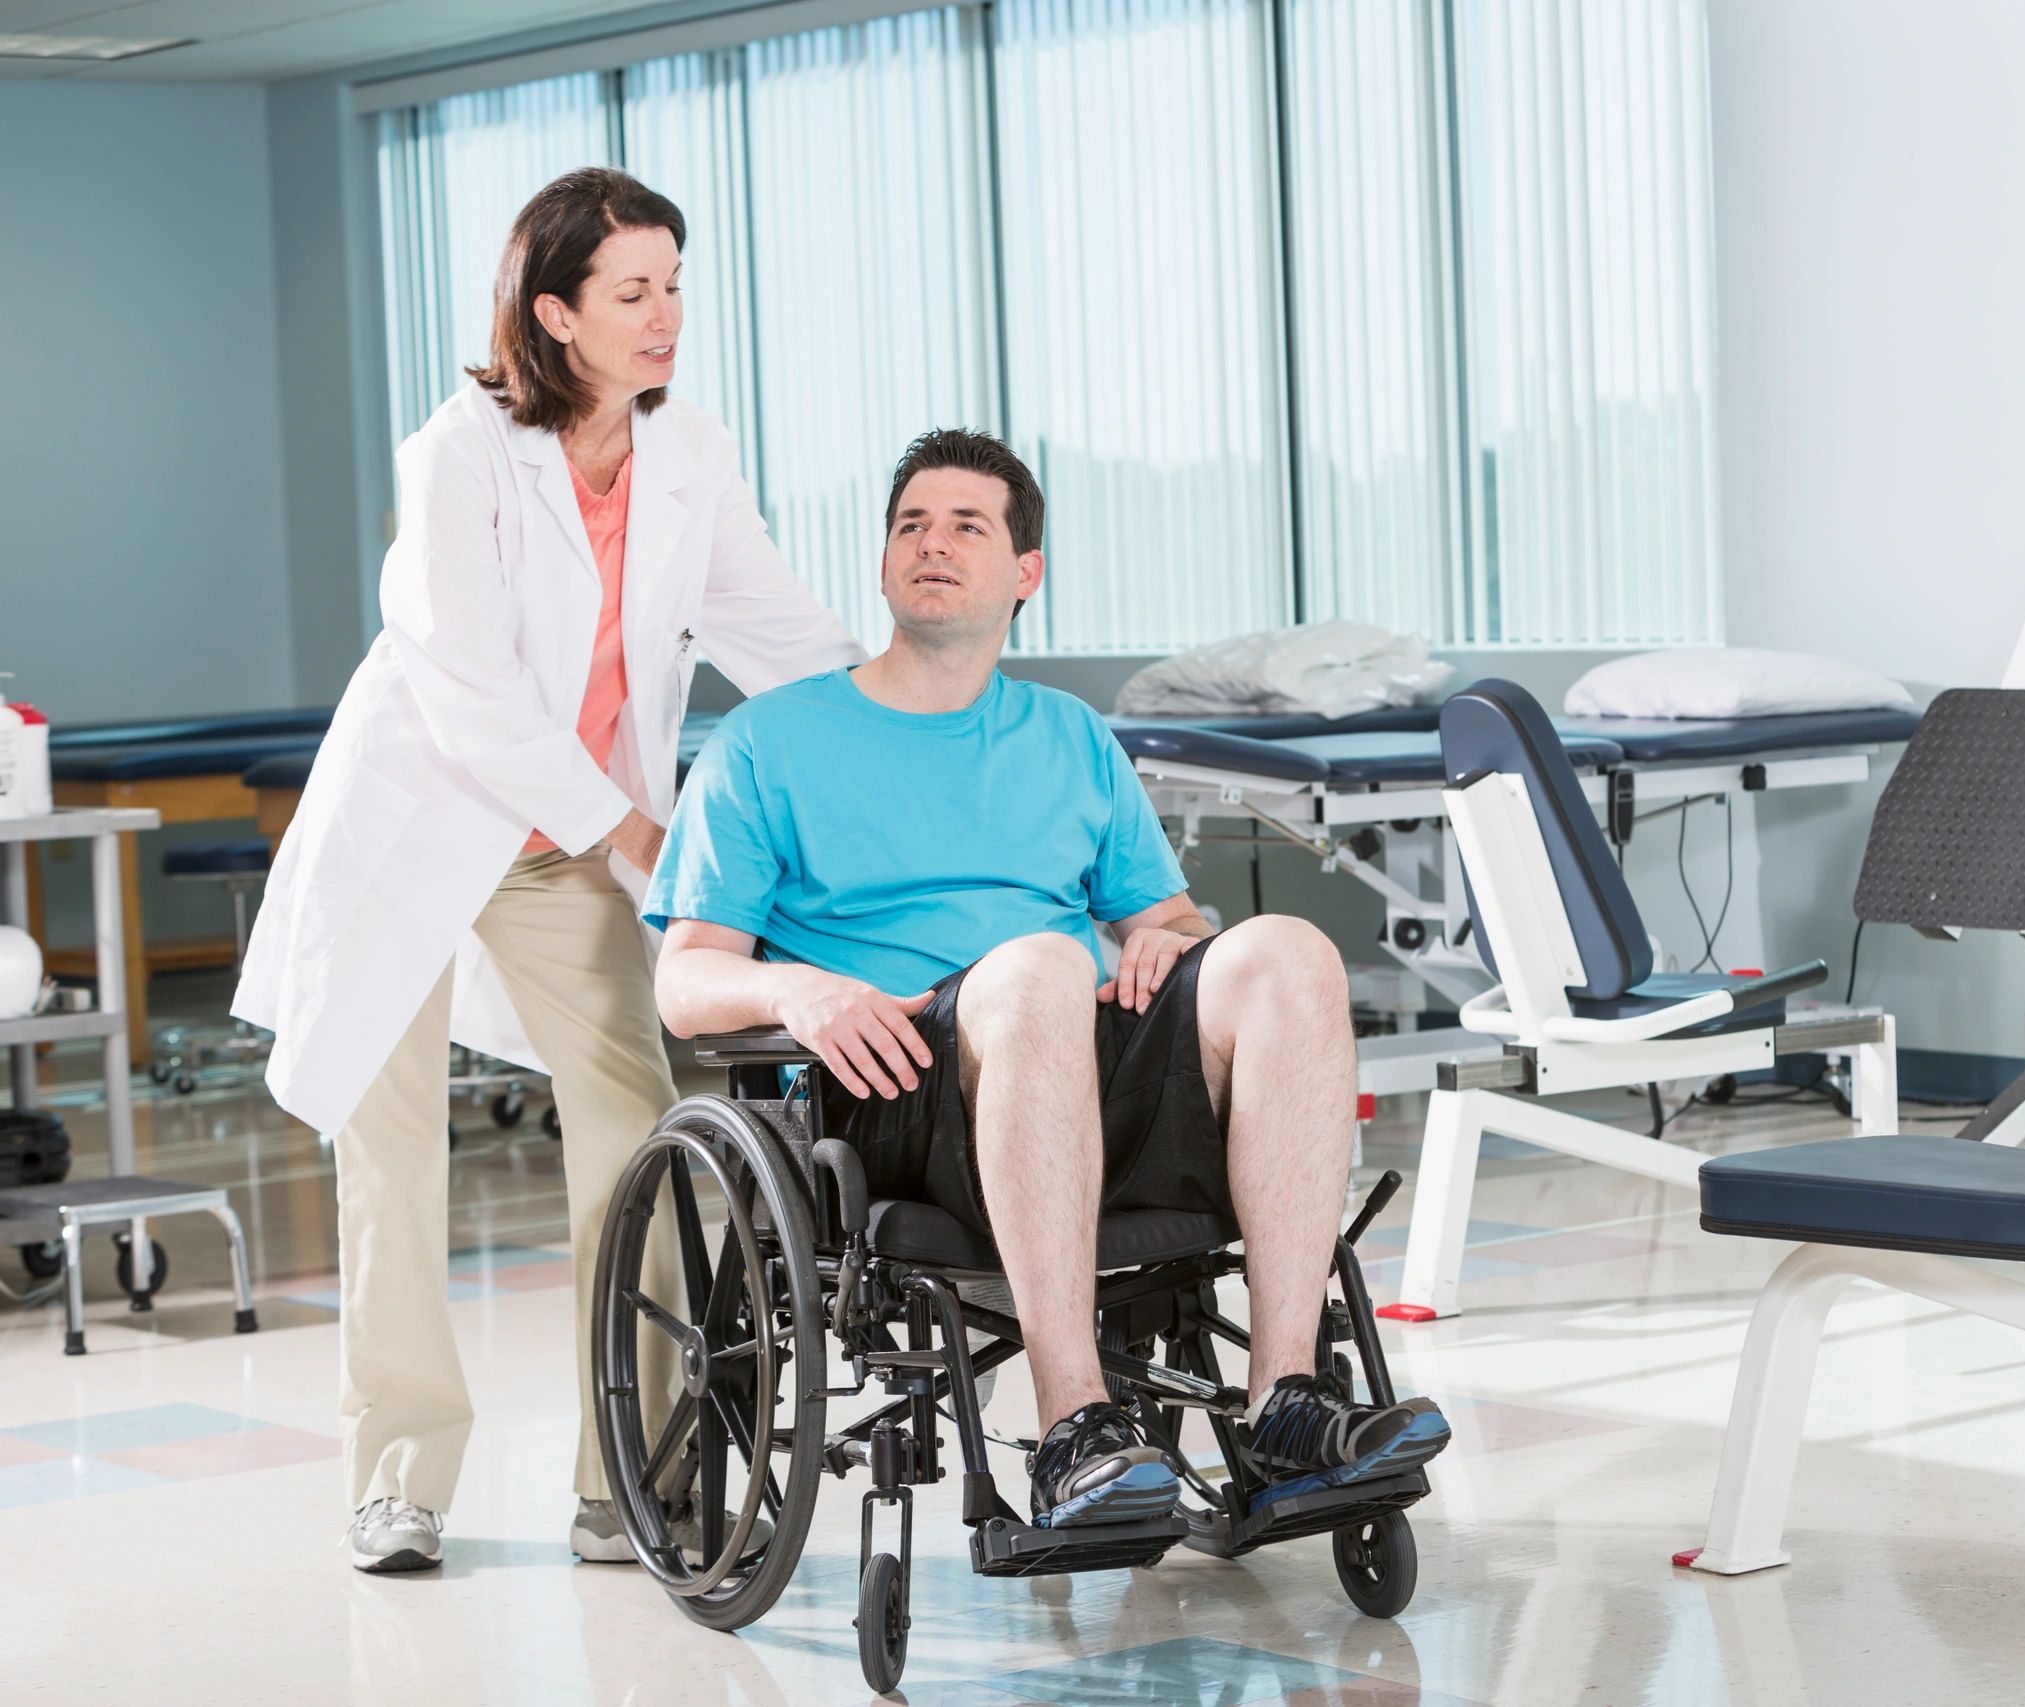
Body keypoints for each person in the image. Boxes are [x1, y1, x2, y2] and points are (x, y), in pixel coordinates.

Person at [235, 168, 863, 1573]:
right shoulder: (458, 454)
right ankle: (397, 1477)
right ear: (555, 311)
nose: (667, 314)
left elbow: (782, 633)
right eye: (633, 291)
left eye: (675, 284)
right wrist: (638, 836)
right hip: (419, 831)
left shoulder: (688, 453)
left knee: (639, 1129)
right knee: (391, 1156)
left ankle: (629, 1473)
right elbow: (473, 695)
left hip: (557, 851)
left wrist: (904, 708)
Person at [646, 428, 1450, 1525]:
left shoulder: (1069, 735)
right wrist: (798, 990)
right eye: (910, 525)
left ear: (1025, 573)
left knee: (1287, 953)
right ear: (883, 564)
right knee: (1035, 968)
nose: (932, 543)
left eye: (965, 525)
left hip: (1082, 1071)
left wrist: (1171, 936)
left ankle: (1284, 1400)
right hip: (899, 1090)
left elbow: (1166, 918)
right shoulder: (768, 742)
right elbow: (685, 980)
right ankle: (1074, 1425)